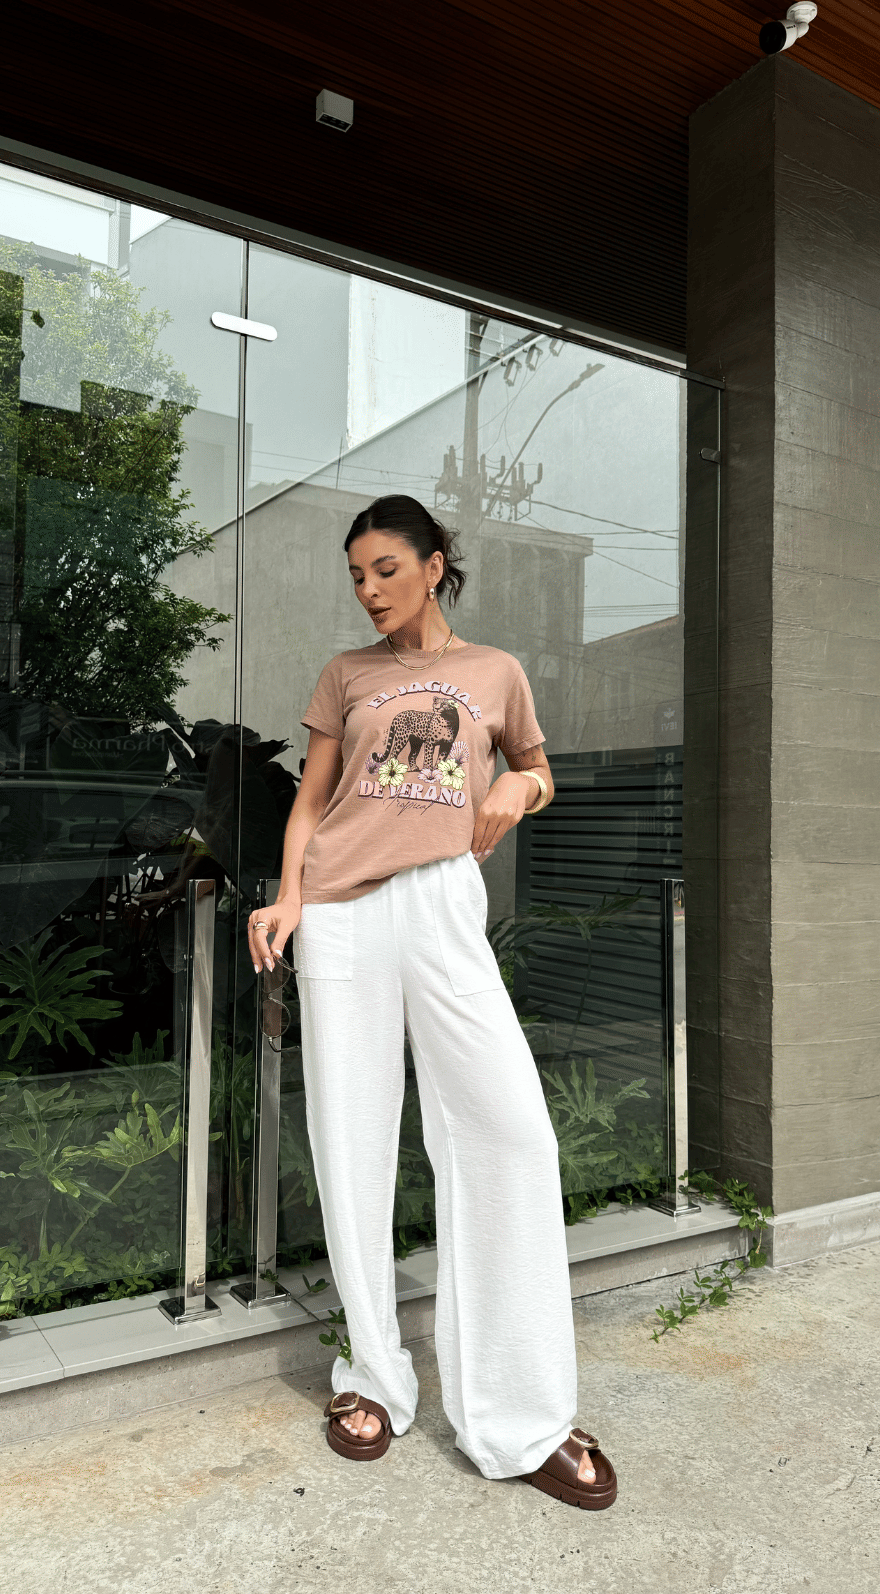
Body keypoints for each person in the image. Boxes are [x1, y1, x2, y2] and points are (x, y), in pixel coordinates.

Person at [249, 494, 616, 1510]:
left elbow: (537, 771)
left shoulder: (495, 672)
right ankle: (373, 1374)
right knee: (351, 1137)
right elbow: (311, 799)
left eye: (386, 569)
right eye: (356, 575)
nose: (369, 591)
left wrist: (515, 791)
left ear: (435, 563)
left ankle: (521, 1414)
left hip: (443, 902)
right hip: (341, 912)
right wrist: (289, 897)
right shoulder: (346, 674)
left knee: (510, 1132)